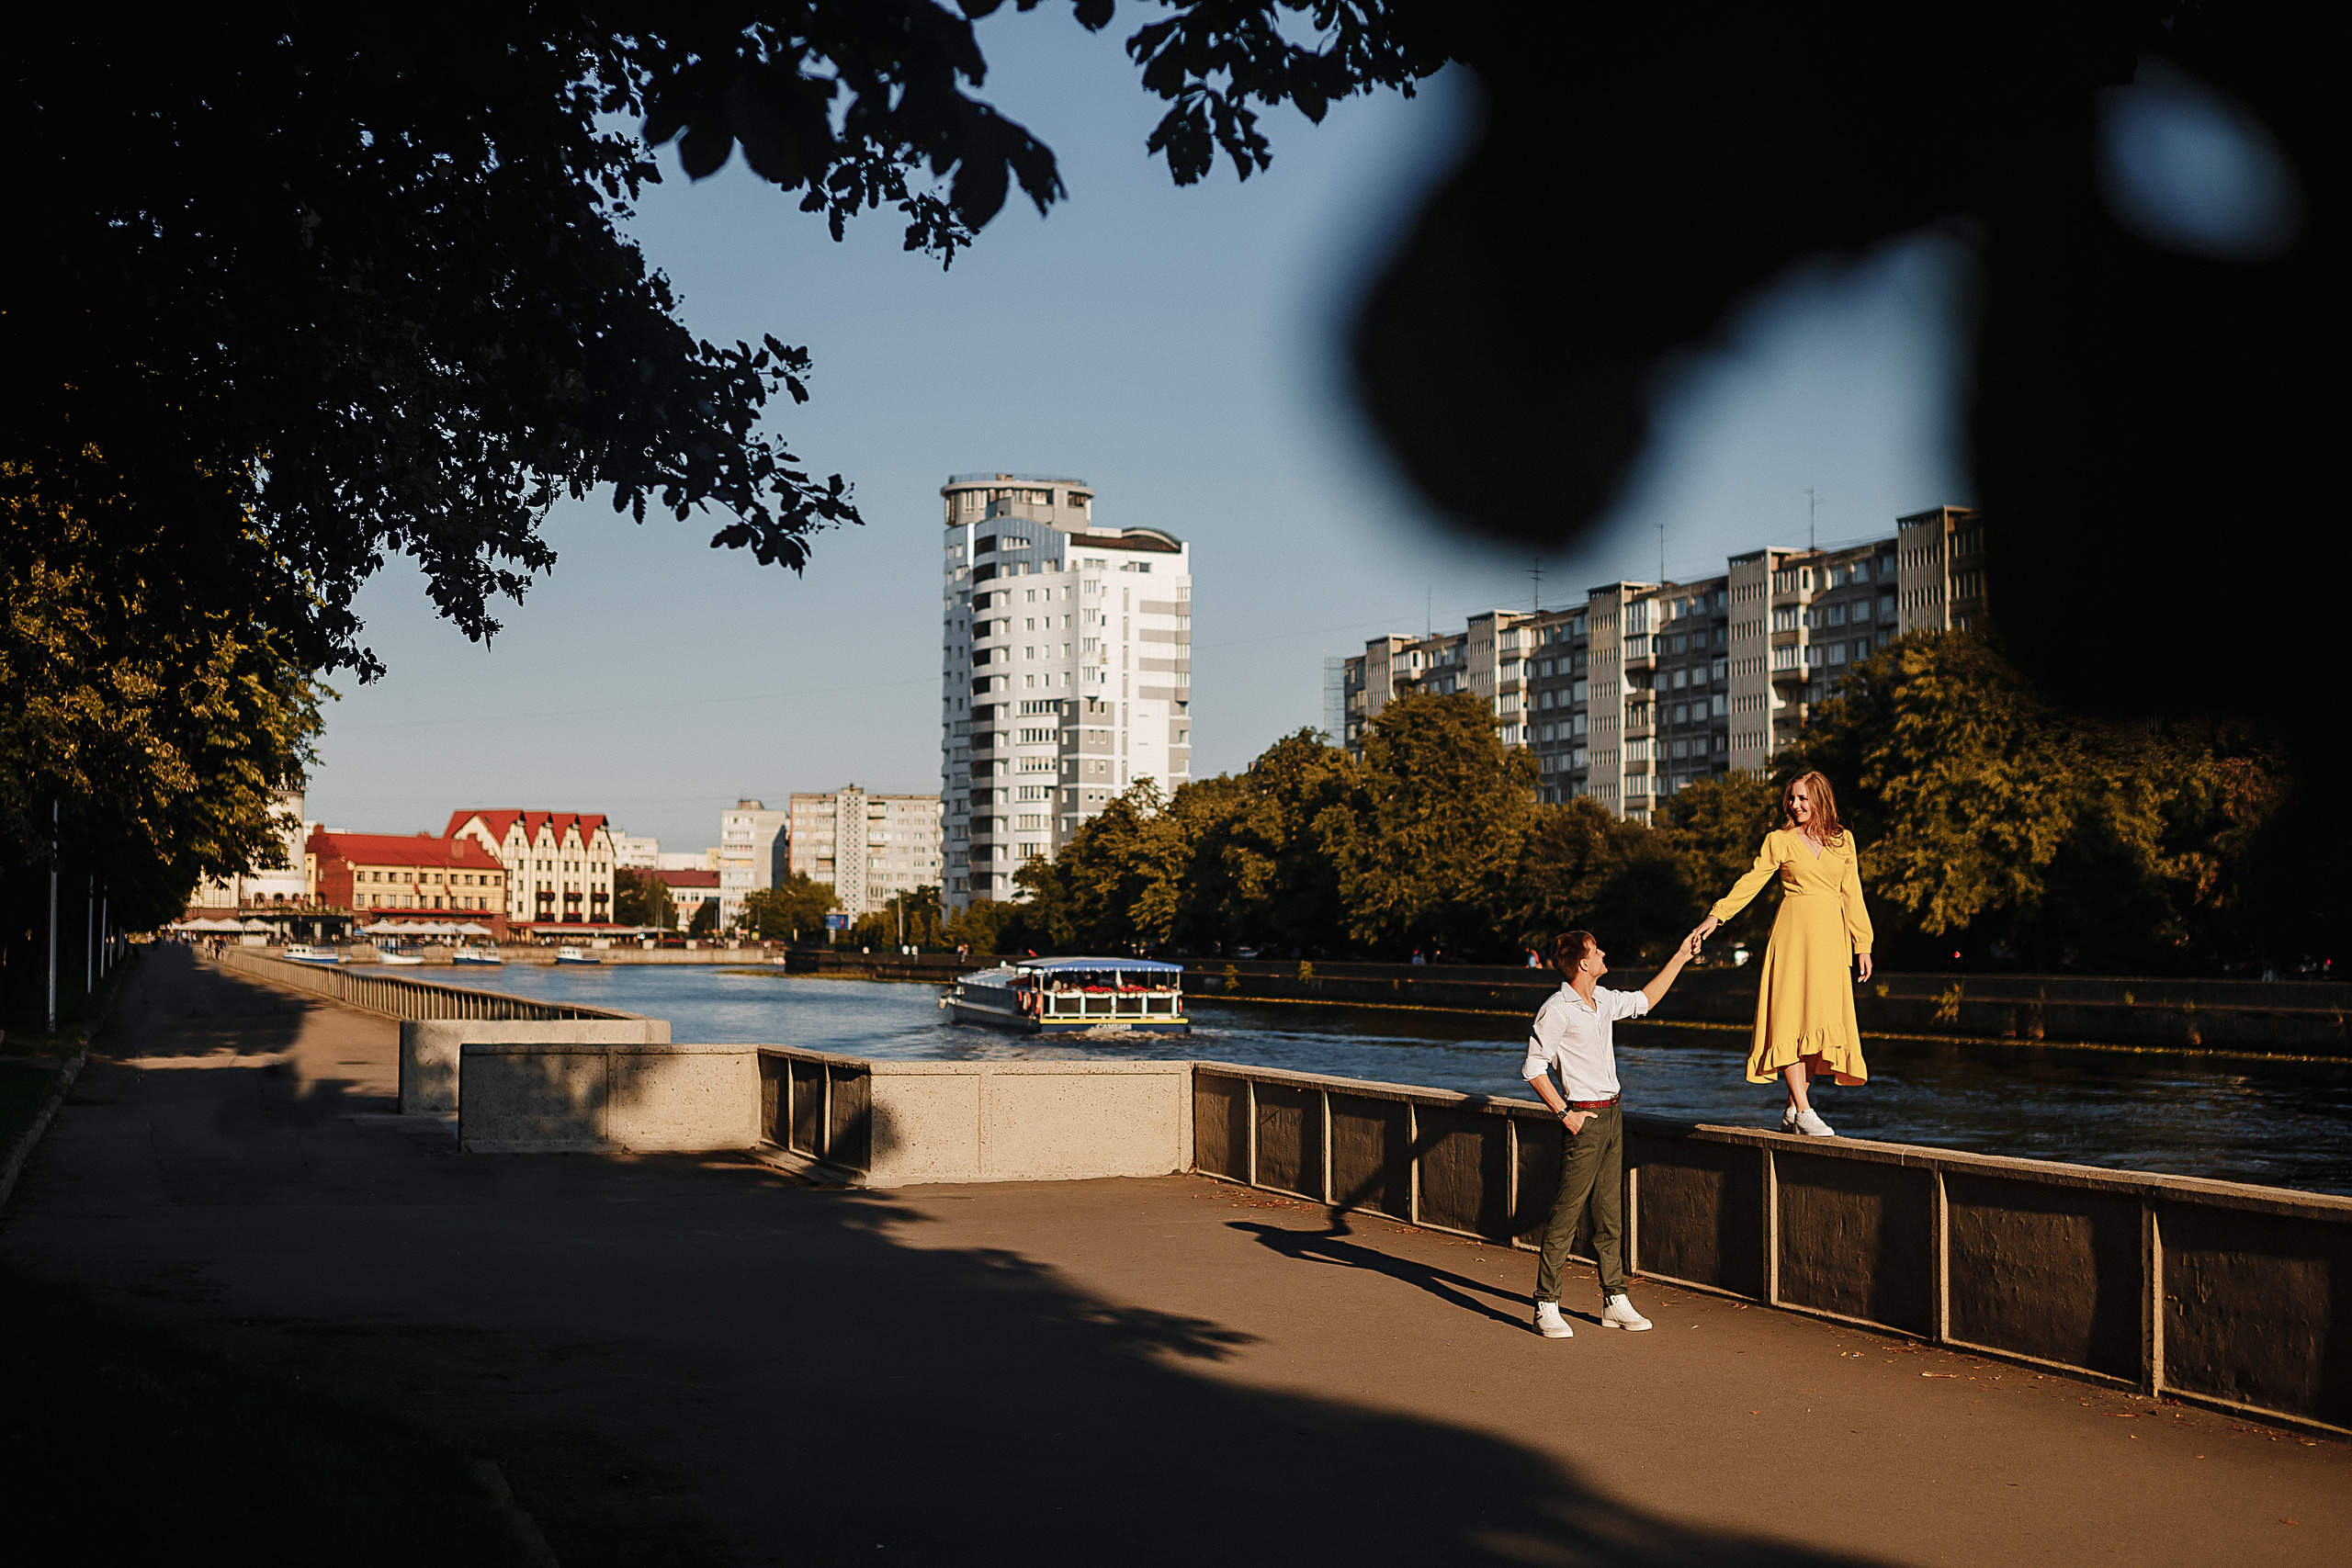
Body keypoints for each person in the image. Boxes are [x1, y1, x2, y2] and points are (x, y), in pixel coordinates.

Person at [1521, 926, 1701, 1339]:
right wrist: (1566, 1114)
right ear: (1583, 962)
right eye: (1597, 949)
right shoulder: (1557, 1009)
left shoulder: (1602, 1000)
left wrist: (1679, 956)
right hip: (1583, 1118)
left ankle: (1613, 1300)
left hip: (1614, 1114)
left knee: (1609, 1214)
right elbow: (1534, 1066)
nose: (1604, 953)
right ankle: (1546, 1304)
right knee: (1566, 1214)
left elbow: (1645, 1001)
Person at [1690, 771, 1874, 1137]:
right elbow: (1752, 880)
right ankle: (1805, 1110)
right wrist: (1717, 916)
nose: (1796, 805)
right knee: (1790, 1019)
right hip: (1792, 937)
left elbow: (1852, 893)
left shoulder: (1844, 841)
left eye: (1803, 798)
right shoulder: (1780, 840)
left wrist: (1863, 943)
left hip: (1831, 941)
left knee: (1817, 1024)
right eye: (1792, 798)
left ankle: (1793, 1106)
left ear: (1820, 799)